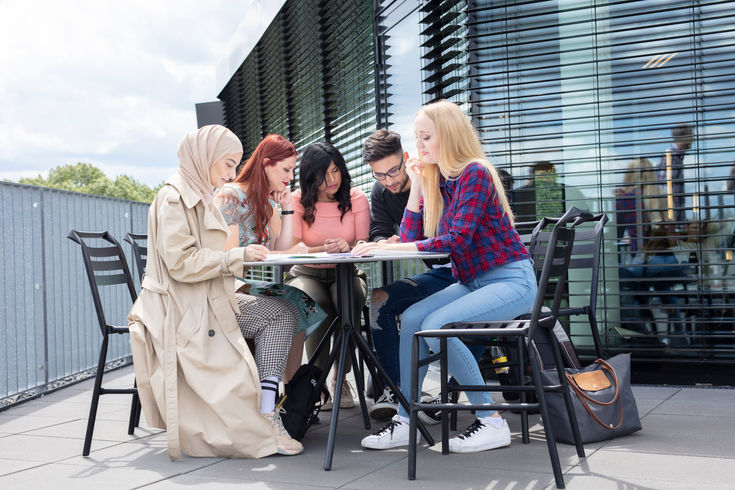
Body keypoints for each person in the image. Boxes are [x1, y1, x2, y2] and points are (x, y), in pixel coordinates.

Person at [353, 100, 536, 453]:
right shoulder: (443, 180)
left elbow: (454, 242)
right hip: (473, 280)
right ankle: (407, 419)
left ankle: (492, 421)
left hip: (512, 282)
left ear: (448, 136)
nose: (418, 147)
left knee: (437, 324)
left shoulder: (475, 173)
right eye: (417, 138)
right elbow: (410, 238)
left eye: (425, 137)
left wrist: (391, 250)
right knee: (413, 318)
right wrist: (420, 185)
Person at [128, 125, 302, 459]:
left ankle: (268, 410)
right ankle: (266, 416)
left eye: (235, 165)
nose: (232, 173)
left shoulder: (199, 193)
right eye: (227, 164)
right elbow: (180, 263)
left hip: (205, 298)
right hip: (183, 309)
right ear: (204, 157)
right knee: (282, 311)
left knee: (286, 311)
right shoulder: (174, 197)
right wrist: (236, 257)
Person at [214, 134, 327, 384]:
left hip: (239, 285)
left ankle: (292, 390)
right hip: (221, 288)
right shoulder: (230, 197)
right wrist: (287, 251)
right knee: (290, 303)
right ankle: (285, 392)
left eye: (292, 170)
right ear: (266, 164)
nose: (290, 176)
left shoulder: (268, 202)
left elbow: (282, 253)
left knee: (298, 298)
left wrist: (287, 208)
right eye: (286, 169)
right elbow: (229, 256)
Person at [362, 129, 456, 422]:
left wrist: (405, 240)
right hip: (441, 274)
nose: (388, 180)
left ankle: (445, 391)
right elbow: (378, 229)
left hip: (464, 271)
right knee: (378, 300)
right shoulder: (381, 192)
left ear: (405, 158)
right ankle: (395, 388)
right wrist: (383, 242)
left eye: (393, 171)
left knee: (417, 317)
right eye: (379, 175)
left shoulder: (435, 178)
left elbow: (446, 234)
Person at [285, 141, 370, 410]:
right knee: (314, 301)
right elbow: (293, 248)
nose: (330, 180)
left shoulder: (356, 198)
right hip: (306, 272)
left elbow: (365, 245)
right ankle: (316, 380)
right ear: (310, 176)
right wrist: (324, 248)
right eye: (322, 175)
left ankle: (340, 377)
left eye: (335, 171)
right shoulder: (298, 201)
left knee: (350, 297)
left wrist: (351, 247)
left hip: (346, 271)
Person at [614, 157, 667, 254]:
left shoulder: (624, 200)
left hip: (641, 259)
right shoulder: (663, 195)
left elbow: (617, 235)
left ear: (629, 175)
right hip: (668, 257)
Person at [656, 123, 694, 223]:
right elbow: (664, 191)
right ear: (686, 135)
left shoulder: (676, 157)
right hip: (671, 223)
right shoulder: (671, 156)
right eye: (692, 135)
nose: (694, 139)